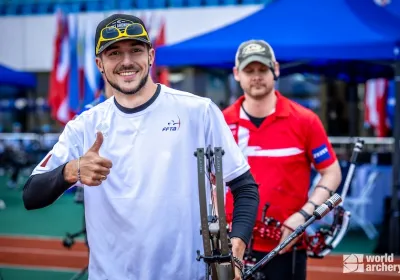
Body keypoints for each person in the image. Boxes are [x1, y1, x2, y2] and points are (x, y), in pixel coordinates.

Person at [22, 14, 259, 280]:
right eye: (114, 53)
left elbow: (245, 188)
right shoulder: (84, 126)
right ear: (100, 64)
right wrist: (70, 170)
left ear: (151, 56)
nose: (126, 61)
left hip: (188, 274)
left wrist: (235, 252)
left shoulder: (197, 111)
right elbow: (31, 195)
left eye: (135, 50)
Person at [223, 40, 342, 280]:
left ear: (275, 70)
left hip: (286, 246)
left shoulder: (304, 120)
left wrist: (304, 214)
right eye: (249, 70)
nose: (256, 77)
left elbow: (331, 171)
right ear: (237, 74)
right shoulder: (221, 122)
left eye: (262, 69)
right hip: (230, 247)